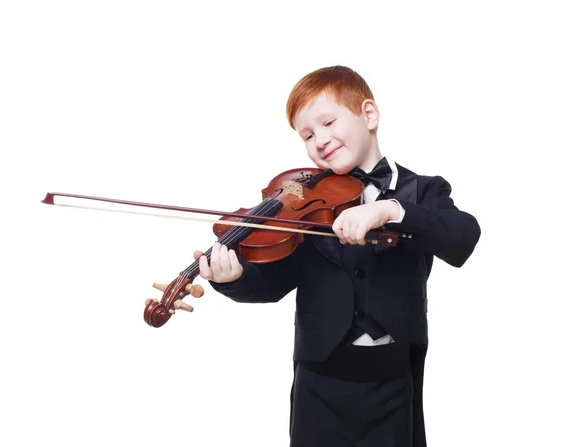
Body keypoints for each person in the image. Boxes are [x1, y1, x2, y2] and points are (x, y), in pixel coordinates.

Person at [193, 65, 481, 447]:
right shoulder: (304, 203)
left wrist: (390, 210)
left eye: (329, 122)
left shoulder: (421, 191)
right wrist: (234, 279)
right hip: (319, 381)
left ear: (369, 115)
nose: (320, 141)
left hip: (393, 380)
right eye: (308, 135)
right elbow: (274, 282)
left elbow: (462, 236)